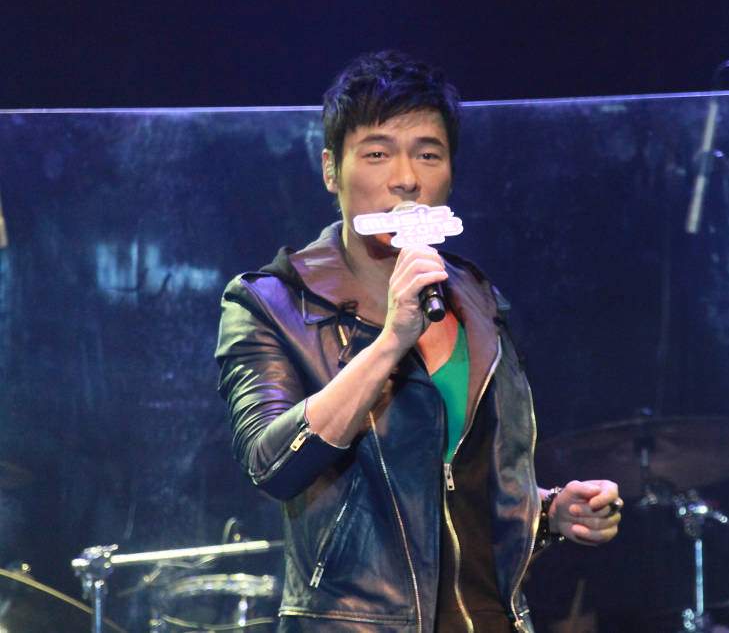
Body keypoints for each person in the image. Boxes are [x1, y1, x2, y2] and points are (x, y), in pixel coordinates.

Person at [215, 50, 621, 632]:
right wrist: (391, 341)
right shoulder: (272, 304)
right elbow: (272, 465)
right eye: (377, 153)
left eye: (428, 154)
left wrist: (549, 511)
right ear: (331, 170)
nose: (406, 178)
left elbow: (457, 484)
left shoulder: (478, 300)